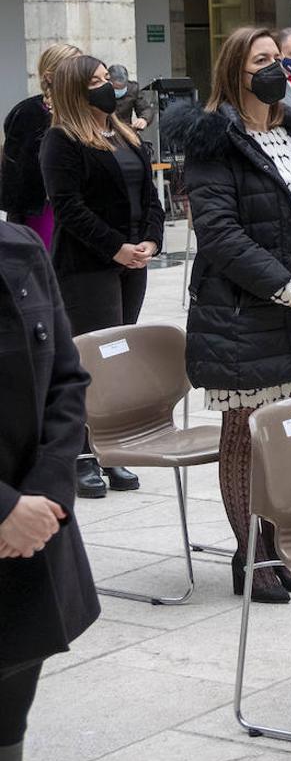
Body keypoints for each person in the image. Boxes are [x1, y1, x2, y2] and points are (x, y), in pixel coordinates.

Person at [162, 25, 291, 604]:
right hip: (241, 310)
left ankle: (277, 544)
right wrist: (283, 288)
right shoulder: (215, 140)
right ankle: (252, 554)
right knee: (244, 432)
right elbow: (219, 233)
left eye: (279, 60)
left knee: (285, 437)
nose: (275, 70)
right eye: (261, 60)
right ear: (233, 72)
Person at [40, 55, 165, 498]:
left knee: (118, 359)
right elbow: (69, 207)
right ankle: (80, 453)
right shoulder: (61, 140)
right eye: (95, 81)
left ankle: (111, 448)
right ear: (76, 90)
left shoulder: (124, 133)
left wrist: (150, 241)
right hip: (89, 266)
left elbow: (149, 195)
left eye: (106, 79)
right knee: (91, 361)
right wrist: (116, 247)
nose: (107, 86)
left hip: (133, 261)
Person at [0, 219, 97, 761]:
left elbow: (67, 378)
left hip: (29, 537)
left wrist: (48, 489)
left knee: (9, 715)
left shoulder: (20, 248)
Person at [2, 43, 82, 248]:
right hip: (43, 208)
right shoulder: (28, 112)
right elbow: (19, 173)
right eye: (73, 69)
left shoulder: (85, 110)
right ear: (50, 76)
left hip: (83, 207)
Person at [106, 65, 155, 131]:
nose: (119, 90)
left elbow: (145, 108)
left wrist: (144, 119)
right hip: (105, 129)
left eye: (122, 87)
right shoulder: (101, 89)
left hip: (126, 129)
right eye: (116, 88)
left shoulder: (133, 89)